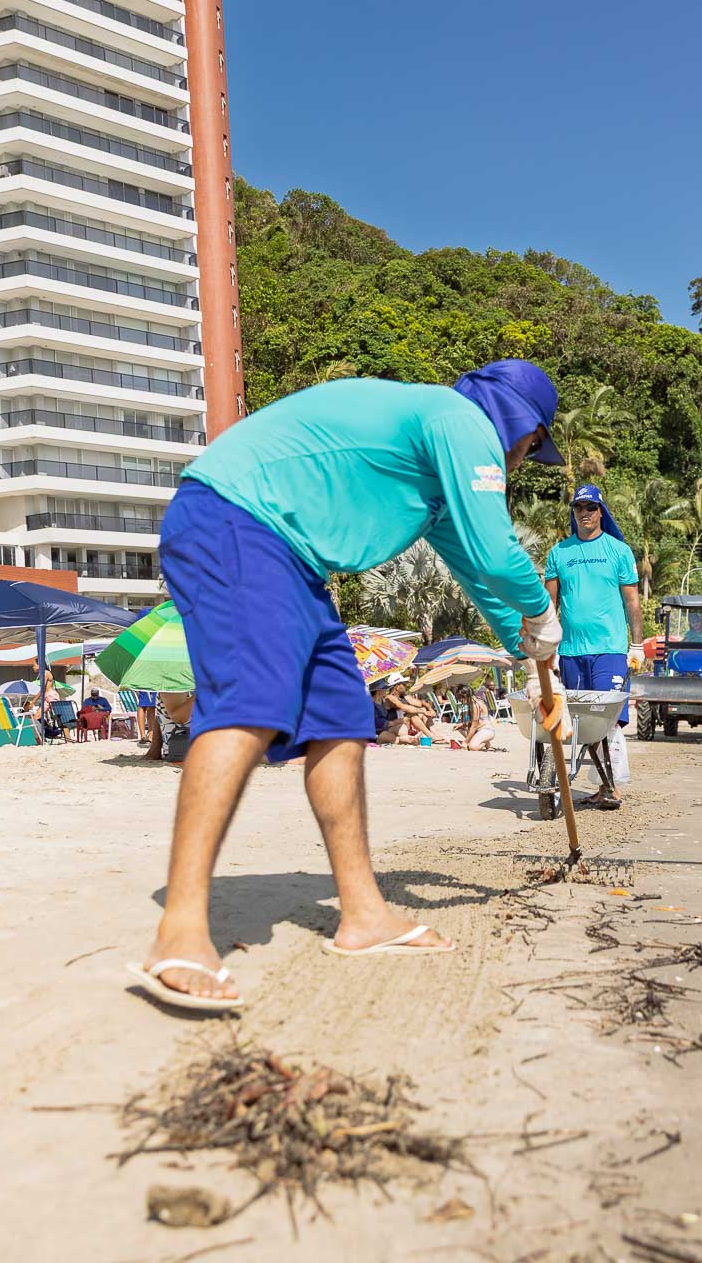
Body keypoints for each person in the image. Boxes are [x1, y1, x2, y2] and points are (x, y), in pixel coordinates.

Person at [130, 359, 565, 1009]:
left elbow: (477, 566)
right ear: (523, 428)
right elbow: (500, 552)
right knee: (253, 701)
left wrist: (529, 649)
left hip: (293, 556)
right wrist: (542, 612)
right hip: (237, 518)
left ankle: (363, 915)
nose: (526, 461)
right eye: (533, 448)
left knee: (339, 714)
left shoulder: (436, 468)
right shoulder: (462, 423)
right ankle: (180, 932)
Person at [541, 483, 640, 809]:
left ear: (601, 512)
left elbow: (632, 603)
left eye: (591, 507)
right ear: (574, 513)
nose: (585, 513)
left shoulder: (619, 551)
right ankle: (601, 787)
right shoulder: (559, 553)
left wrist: (636, 645)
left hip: (610, 649)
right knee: (581, 722)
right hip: (570, 651)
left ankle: (612, 787)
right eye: (579, 508)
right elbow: (549, 604)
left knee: (606, 721)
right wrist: (546, 646)